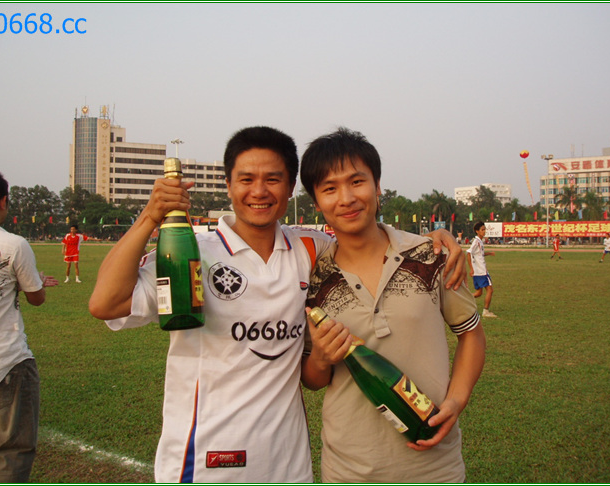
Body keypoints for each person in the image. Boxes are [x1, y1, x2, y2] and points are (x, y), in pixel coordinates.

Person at [88, 126, 465, 483]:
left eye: (272, 179)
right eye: (246, 179)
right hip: (208, 461)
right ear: (228, 185)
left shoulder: (310, 249)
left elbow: (366, 240)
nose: (259, 191)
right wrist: (149, 217)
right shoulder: (193, 252)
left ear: (289, 188)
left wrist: (435, 239)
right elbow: (107, 303)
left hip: (288, 463)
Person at [299, 128, 486, 483]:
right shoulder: (312, 278)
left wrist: (456, 400)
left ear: (378, 186)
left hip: (436, 468)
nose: (346, 198)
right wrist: (321, 359)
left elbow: (472, 335)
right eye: (329, 188)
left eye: (357, 182)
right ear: (316, 201)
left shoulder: (431, 254)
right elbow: (313, 379)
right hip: (349, 470)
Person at [0, 169, 59, 483]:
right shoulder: (13, 244)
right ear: (3, 201)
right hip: (4, 364)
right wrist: (31, 281)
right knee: (12, 454)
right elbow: (36, 298)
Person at [467, 221, 497, 318]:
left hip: (478, 272)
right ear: (477, 231)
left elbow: (479, 254)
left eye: (485, 229)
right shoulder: (476, 242)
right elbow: (469, 253)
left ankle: (462, 301)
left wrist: (489, 253)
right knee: (490, 290)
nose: (484, 231)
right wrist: (471, 269)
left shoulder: (479, 241)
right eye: (482, 230)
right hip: (481, 271)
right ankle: (486, 311)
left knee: (478, 293)